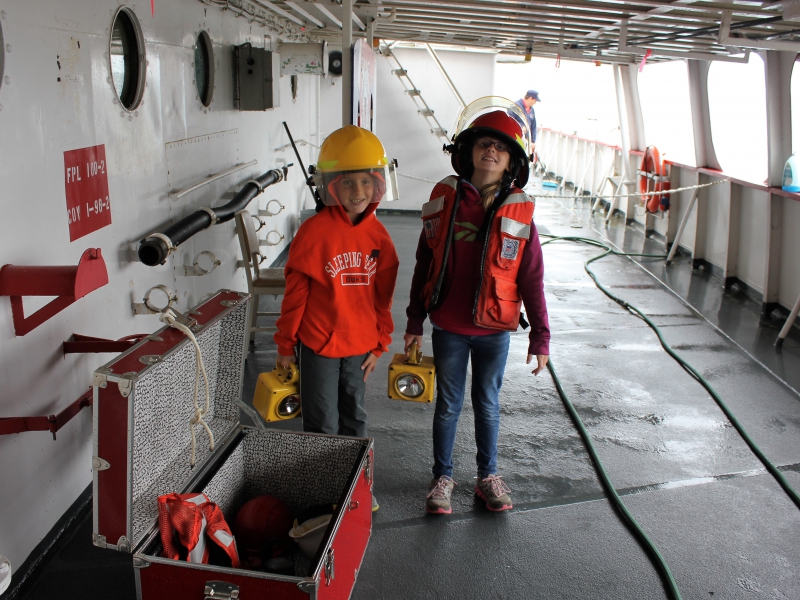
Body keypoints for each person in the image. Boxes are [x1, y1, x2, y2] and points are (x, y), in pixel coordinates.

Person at [404, 99, 550, 514]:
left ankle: (488, 476)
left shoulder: (521, 211)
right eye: (484, 144)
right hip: (449, 326)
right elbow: (424, 263)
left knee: (487, 402)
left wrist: (541, 337)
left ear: (511, 162)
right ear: (468, 151)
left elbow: (532, 277)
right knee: (448, 403)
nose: (491, 151)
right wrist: (415, 322)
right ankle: (442, 477)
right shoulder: (445, 199)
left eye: (501, 149)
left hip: (495, 330)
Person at [274, 125, 400, 510]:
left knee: (355, 420)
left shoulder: (380, 238)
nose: (358, 191)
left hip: (360, 346)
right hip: (319, 345)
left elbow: (383, 300)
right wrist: (284, 345)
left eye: (366, 181)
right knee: (322, 423)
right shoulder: (313, 233)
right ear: (331, 186)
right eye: (348, 183)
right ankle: (323, 493)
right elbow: (296, 295)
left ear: (379, 184)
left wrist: (381, 344)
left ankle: (356, 487)